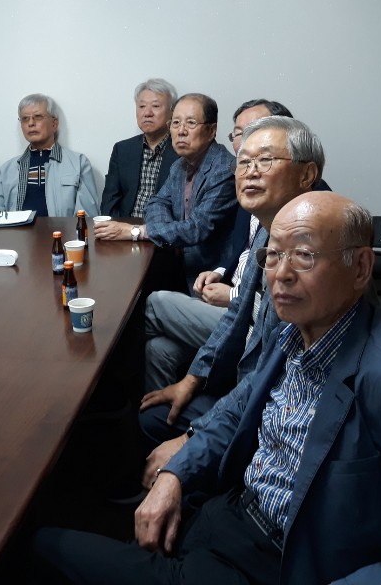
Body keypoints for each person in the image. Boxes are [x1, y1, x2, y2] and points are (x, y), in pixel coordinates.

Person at [33, 191, 381, 584]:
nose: (281, 275)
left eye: (305, 256)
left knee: (39, 547)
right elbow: (237, 410)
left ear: (360, 268)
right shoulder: (293, 332)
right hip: (226, 511)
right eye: (272, 256)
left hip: (274, 561)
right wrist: (175, 477)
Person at [140, 117, 323, 437]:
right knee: (157, 366)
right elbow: (236, 316)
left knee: (153, 307)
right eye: (244, 161)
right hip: (250, 382)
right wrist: (192, 381)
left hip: (279, 413)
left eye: (265, 160)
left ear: (306, 175)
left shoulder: (305, 251)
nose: (250, 171)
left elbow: (272, 374)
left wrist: (194, 436)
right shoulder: (267, 230)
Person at [95, 93, 237, 291]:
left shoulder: (224, 168)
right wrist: (167, 231)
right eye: (176, 123)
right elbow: (156, 202)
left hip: (209, 278)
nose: (181, 131)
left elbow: (197, 228)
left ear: (211, 130)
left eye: (191, 123)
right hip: (176, 264)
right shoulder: (180, 165)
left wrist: (136, 231)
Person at [0, 94, 99, 217]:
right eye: (25, 119)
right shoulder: (6, 170)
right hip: (17, 230)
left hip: (62, 229)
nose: (31, 123)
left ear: (54, 124)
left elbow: (86, 217)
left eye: (38, 117)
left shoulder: (78, 163)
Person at [101, 78, 179, 218]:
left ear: (172, 112)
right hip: (124, 227)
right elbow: (109, 201)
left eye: (156, 106)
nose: (147, 113)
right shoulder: (122, 149)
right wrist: (117, 227)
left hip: (165, 228)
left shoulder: (182, 150)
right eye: (142, 106)